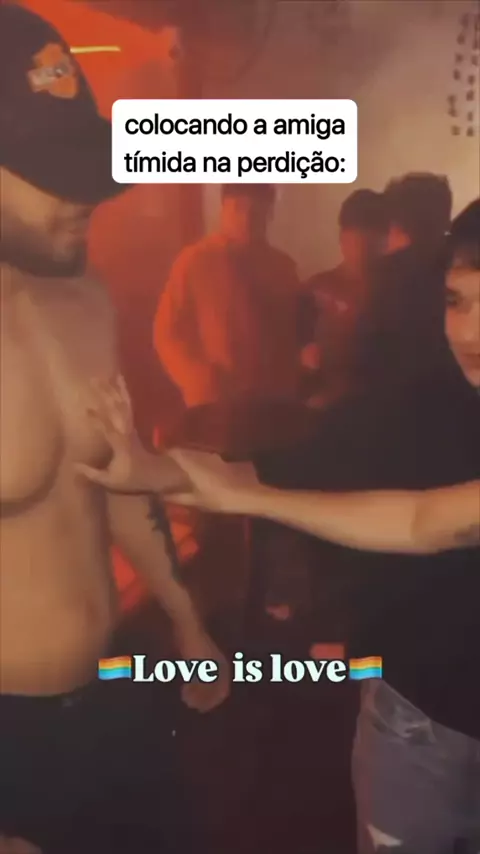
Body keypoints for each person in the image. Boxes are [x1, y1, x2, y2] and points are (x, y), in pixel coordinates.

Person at [80, 199, 480, 854]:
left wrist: (253, 494)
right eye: (456, 301)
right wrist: (160, 466)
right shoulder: (418, 397)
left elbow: (431, 522)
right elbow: (293, 455)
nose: (470, 329)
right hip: (416, 719)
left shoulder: (282, 267)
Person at [0, 6, 228, 854]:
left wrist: (184, 617)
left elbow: (118, 472)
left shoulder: (84, 295)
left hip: (114, 689)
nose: (85, 199)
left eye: (85, 164)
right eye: (49, 172)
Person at [154, 182, 302, 408]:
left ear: (269, 213)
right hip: (214, 401)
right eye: (239, 208)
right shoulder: (195, 261)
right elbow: (166, 332)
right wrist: (197, 378)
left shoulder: (283, 268)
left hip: (272, 400)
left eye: (257, 211)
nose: (247, 219)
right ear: (223, 208)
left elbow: (292, 333)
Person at [300, 189, 387, 406]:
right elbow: (293, 347)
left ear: (385, 241)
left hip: (378, 408)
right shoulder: (316, 288)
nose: (362, 251)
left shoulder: (396, 293)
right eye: (355, 241)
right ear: (342, 239)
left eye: (370, 243)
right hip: (325, 407)